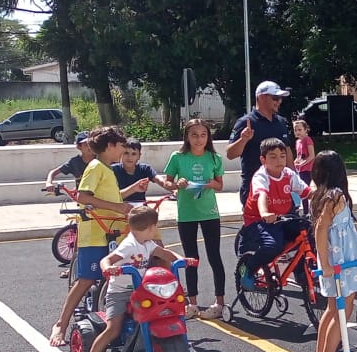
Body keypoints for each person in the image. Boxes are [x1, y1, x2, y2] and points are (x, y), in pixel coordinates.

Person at [80, 205, 184, 352]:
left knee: (168, 312)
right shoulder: (129, 246)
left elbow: (166, 254)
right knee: (113, 328)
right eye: (155, 226)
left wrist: (181, 260)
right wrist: (108, 269)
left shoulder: (148, 244)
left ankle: (181, 345)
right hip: (119, 293)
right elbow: (107, 259)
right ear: (149, 228)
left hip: (141, 290)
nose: (156, 230)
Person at [49, 126, 130, 347]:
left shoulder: (107, 168)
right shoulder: (95, 167)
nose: (124, 150)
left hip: (111, 231)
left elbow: (108, 198)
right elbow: (83, 197)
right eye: (121, 145)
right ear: (111, 146)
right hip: (95, 233)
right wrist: (117, 206)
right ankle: (61, 325)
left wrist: (123, 207)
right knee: (86, 279)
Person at [310, 150, 357, 352]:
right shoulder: (334, 196)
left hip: (336, 258)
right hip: (341, 260)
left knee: (332, 310)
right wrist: (326, 263)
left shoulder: (320, 195)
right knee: (341, 311)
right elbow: (321, 229)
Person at [159, 119, 226, 319]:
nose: (199, 139)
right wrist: (176, 184)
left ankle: (219, 302)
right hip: (187, 214)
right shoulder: (178, 157)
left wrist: (210, 183)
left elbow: (220, 185)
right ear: (187, 137)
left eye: (203, 135)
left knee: (214, 256)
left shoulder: (214, 157)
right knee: (191, 259)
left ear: (208, 137)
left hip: (209, 213)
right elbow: (167, 181)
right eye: (194, 135)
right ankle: (193, 303)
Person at [239, 138, 311, 294]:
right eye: (273, 156)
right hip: (258, 220)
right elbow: (262, 195)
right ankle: (249, 269)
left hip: (282, 218)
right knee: (273, 246)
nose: (279, 160)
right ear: (263, 160)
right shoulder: (261, 176)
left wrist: (325, 199)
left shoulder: (288, 174)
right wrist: (265, 213)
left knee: (309, 232)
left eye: (282, 156)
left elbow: (307, 192)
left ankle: (300, 270)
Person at [228, 81, 293, 205]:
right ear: (261, 97)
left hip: (280, 189)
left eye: (280, 98)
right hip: (255, 190)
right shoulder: (245, 122)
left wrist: (294, 180)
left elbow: (287, 150)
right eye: (275, 98)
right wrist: (243, 139)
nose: (279, 101)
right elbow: (230, 154)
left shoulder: (281, 122)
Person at [113, 138, 165, 205]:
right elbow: (112, 197)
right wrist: (134, 188)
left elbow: (161, 181)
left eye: (134, 154)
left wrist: (173, 188)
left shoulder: (145, 169)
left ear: (139, 156)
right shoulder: (113, 170)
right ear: (121, 154)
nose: (129, 157)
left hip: (140, 210)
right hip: (120, 209)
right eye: (126, 153)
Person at [293, 119, 316, 185]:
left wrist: (302, 164)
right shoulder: (297, 142)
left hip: (308, 169)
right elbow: (299, 156)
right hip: (300, 169)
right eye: (295, 130)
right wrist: (295, 162)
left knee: (304, 187)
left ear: (305, 130)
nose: (297, 132)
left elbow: (312, 155)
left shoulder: (307, 140)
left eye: (299, 130)